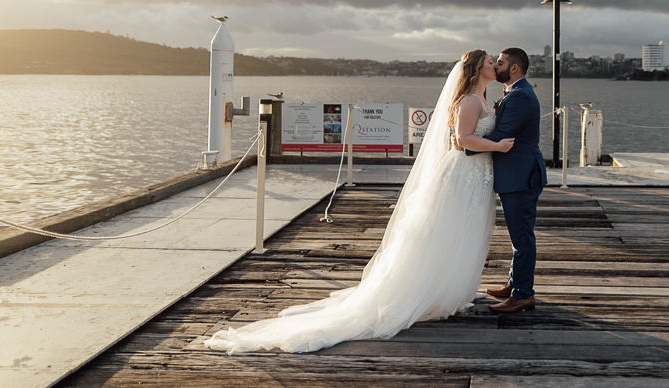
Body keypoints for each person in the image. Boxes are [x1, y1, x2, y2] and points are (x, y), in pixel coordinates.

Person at [204, 49, 513, 354]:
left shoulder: (483, 99)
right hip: (462, 173)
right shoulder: (470, 101)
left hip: (476, 176)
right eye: (489, 62)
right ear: (476, 69)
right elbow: (463, 139)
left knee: (462, 232)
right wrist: (498, 147)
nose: (494, 66)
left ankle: (447, 289)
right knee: (446, 231)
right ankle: (424, 289)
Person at [475, 47, 547, 313]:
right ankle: (515, 285)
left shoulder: (519, 97)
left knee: (522, 237)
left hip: (521, 175)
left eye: (501, 62)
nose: (496, 65)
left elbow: (502, 134)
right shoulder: (516, 93)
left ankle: (523, 294)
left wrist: (465, 146)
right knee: (518, 235)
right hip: (517, 173)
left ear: (514, 68)